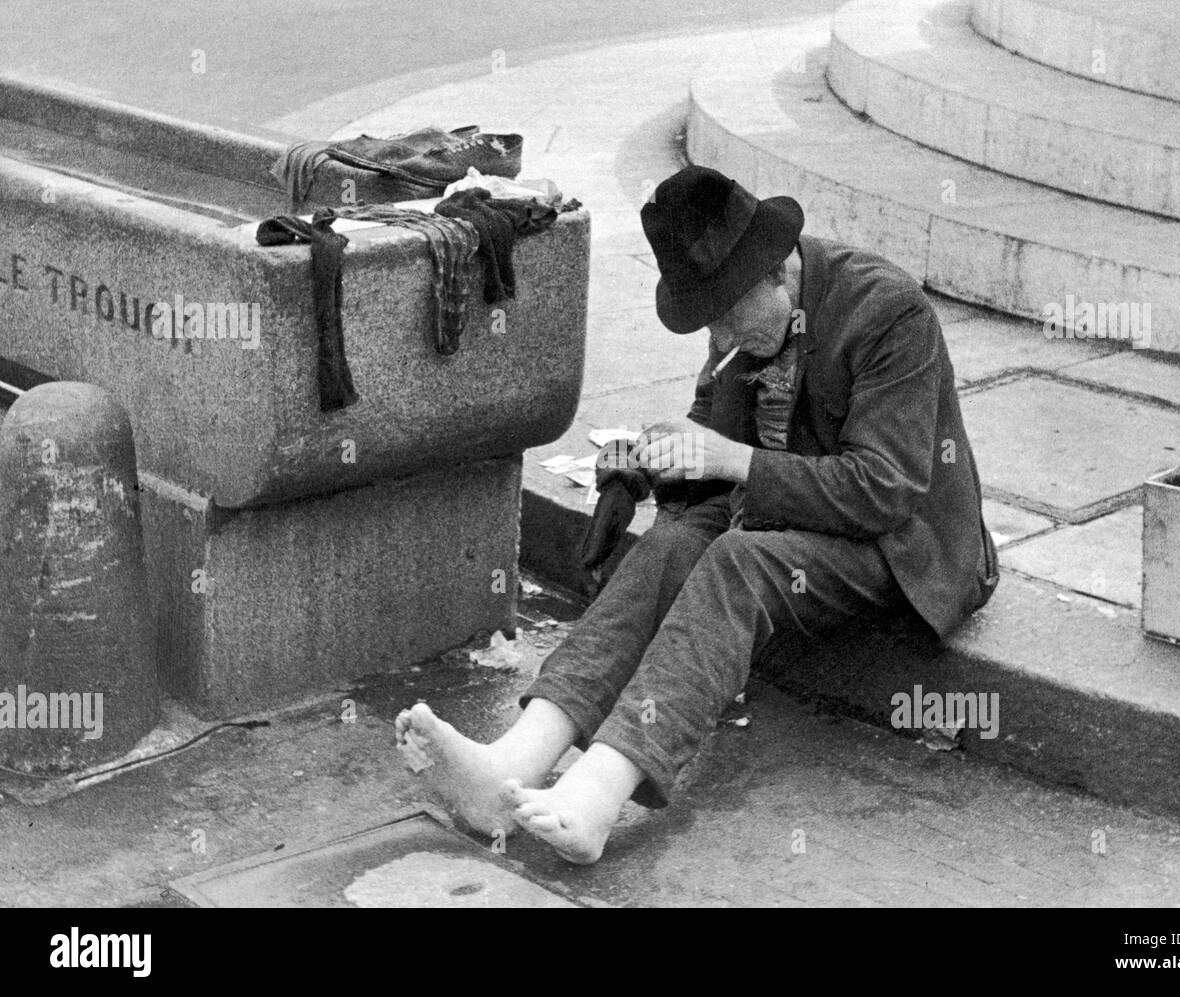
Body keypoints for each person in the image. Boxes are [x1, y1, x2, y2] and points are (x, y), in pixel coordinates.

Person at [395, 165, 999, 864]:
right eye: (709, 317)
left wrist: (734, 461)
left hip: (905, 550)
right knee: (673, 543)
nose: (721, 334)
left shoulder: (888, 313)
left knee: (736, 562)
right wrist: (636, 473)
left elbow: (884, 491)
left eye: (728, 312)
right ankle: (514, 761)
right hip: (794, 521)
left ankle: (598, 792)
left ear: (780, 273)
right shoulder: (748, 325)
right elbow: (706, 430)